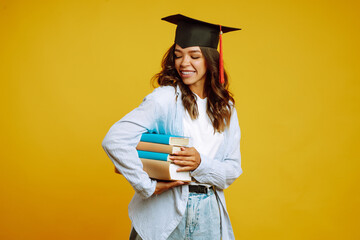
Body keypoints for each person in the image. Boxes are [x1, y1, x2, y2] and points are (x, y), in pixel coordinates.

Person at [102, 14, 242, 240]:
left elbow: (232, 170)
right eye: (178, 55)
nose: (184, 63)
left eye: (194, 56)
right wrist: (146, 187)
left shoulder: (226, 108)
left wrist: (200, 163)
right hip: (165, 212)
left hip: (209, 214)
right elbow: (114, 140)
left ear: (211, 60)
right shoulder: (165, 98)